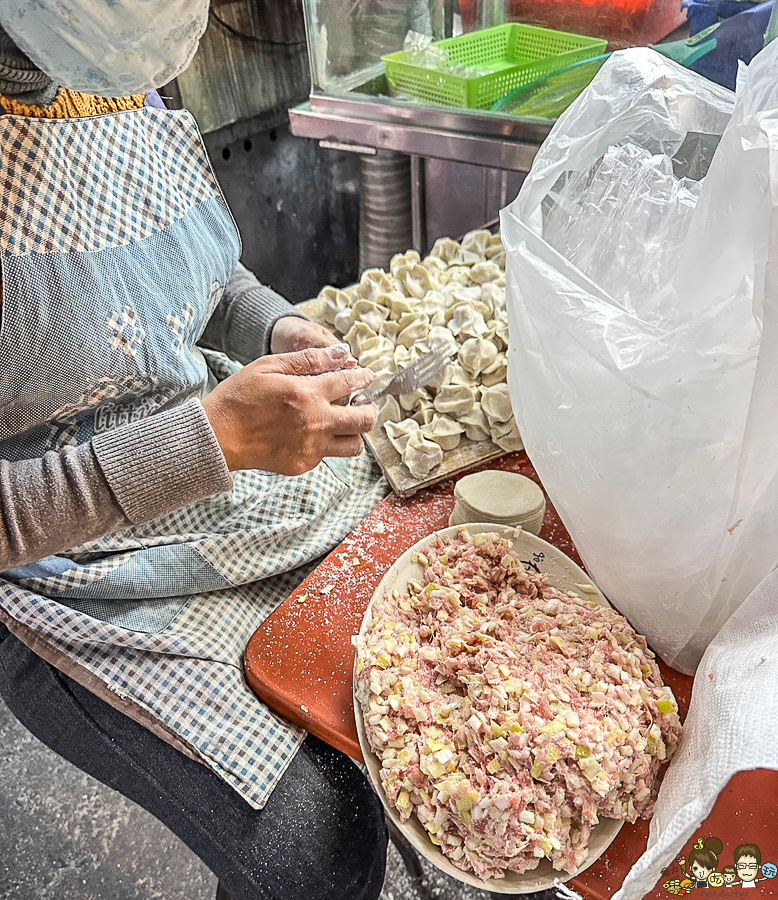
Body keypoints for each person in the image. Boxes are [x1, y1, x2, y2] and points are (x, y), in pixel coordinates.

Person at [0, 2, 389, 898]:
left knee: (409, 654)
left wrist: (277, 328)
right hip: (64, 566)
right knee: (317, 848)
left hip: (215, 479)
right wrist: (204, 440)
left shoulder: (114, 67)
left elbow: (200, 277)